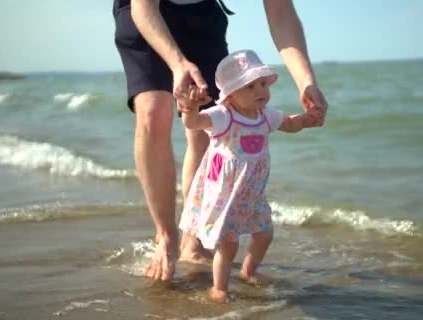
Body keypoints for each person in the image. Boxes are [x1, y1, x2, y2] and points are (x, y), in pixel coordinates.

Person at [112, 0, 328, 282]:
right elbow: (144, 7)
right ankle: (165, 236)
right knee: (154, 110)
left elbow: (281, 12)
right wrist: (178, 64)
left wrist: (306, 82)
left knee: (209, 125)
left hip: (202, 16)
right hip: (147, 12)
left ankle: (193, 237)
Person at [177, 49, 322, 303]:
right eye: (250, 87)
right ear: (230, 95)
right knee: (229, 243)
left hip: (253, 192)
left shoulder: (266, 115)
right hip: (226, 193)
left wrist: (307, 120)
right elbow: (194, 123)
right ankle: (219, 288)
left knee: (265, 233)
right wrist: (190, 109)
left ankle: (248, 270)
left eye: (263, 84)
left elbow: (288, 123)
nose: (260, 92)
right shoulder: (223, 115)